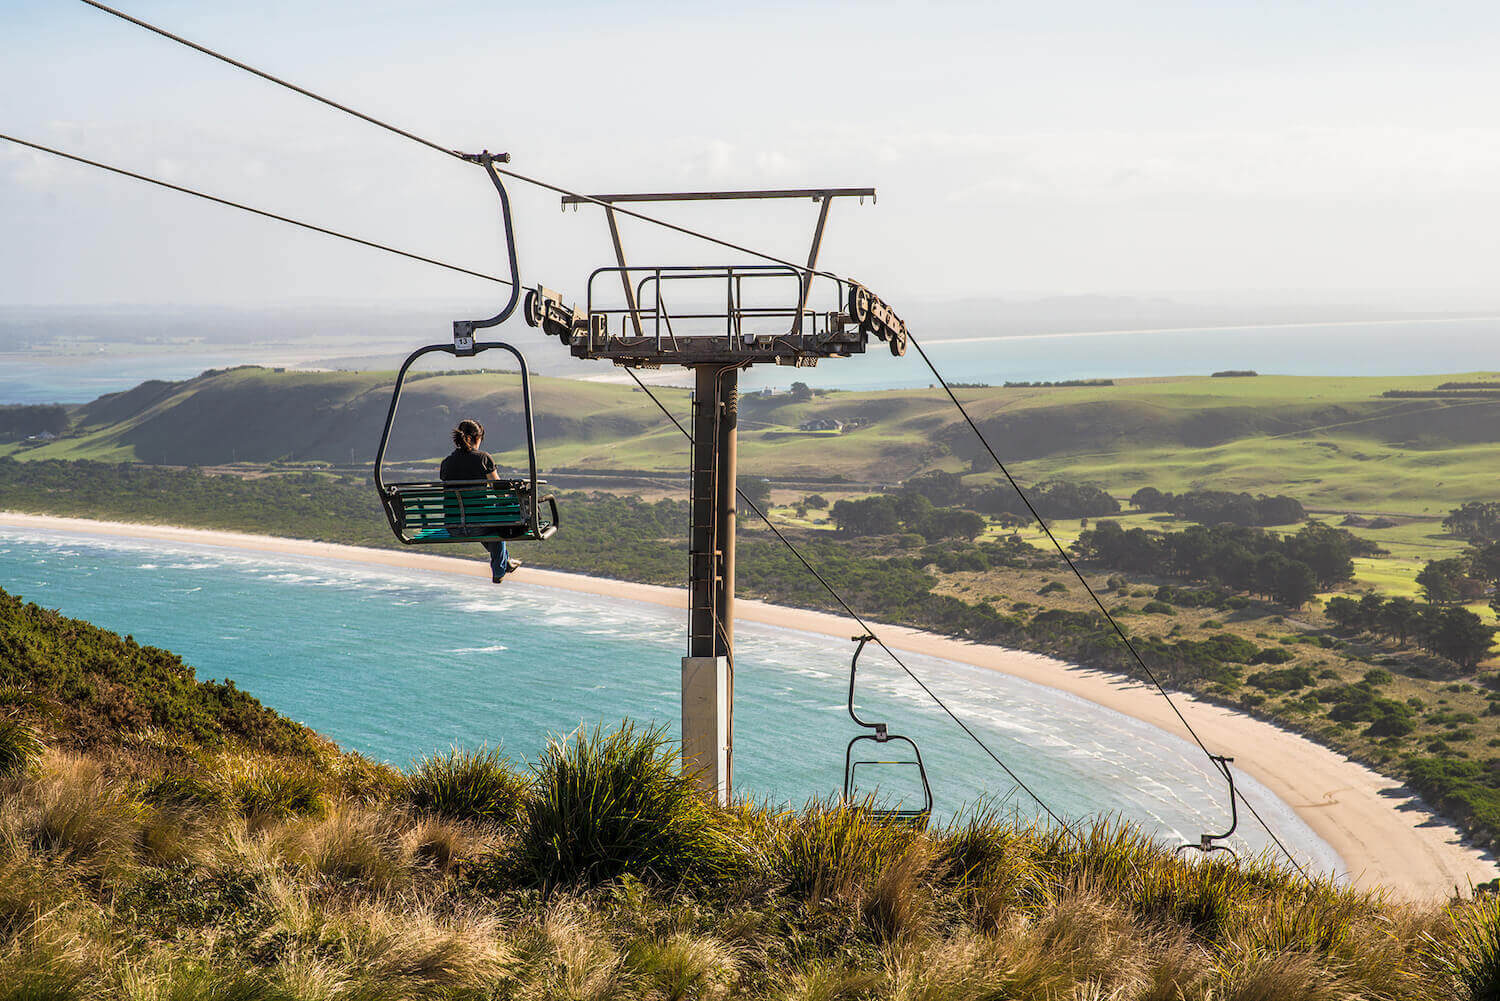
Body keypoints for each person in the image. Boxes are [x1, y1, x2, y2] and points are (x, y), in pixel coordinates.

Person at [440, 418, 523, 583]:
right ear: (476, 438)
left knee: (482, 518)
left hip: (453, 526)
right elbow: (500, 493)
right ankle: (499, 569)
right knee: (500, 514)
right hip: (478, 526)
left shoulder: (446, 463)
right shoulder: (483, 458)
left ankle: (505, 562)